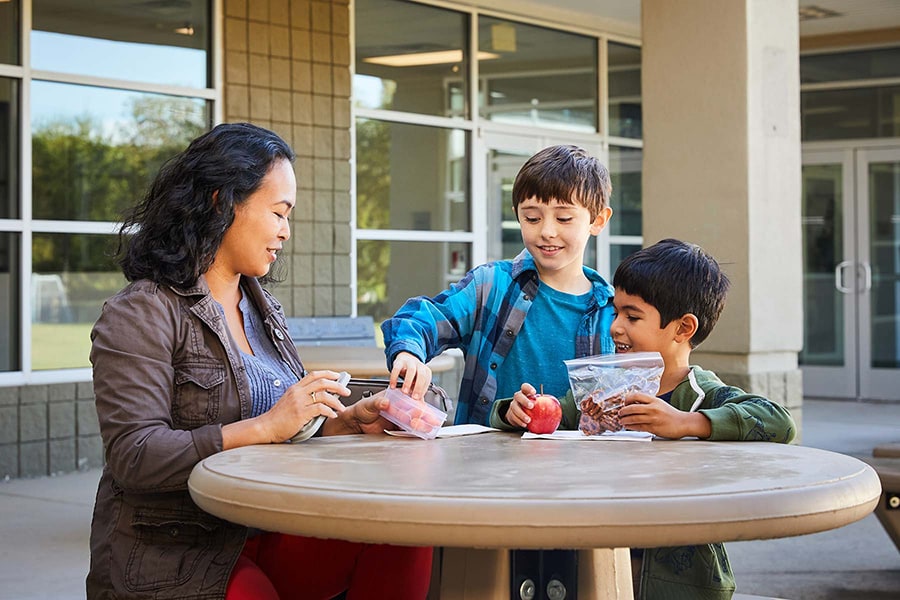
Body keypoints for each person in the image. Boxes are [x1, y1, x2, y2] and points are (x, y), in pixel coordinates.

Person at [86, 123, 432, 600]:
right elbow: (135, 456)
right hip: (181, 548)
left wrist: (346, 422)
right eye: (278, 212)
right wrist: (265, 427)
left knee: (403, 532)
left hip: (265, 524)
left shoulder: (260, 306)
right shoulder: (142, 310)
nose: (286, 231)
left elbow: (287, 426)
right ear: (221, 202)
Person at [498, 238, 797, 600]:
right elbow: (557, 415)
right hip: (598, 563)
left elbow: (779, 421)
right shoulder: (607, 385)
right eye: (616, 312)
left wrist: (688, 423)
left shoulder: (699, 393)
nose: (615, 328)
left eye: (633, 316)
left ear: (683, 328)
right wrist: (519, 411)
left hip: (677, 582)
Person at [382, 144, 616, 426]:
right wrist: (409, 353)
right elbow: (423, 318)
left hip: (585, 466)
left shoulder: (612, 312)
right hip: (484, 464)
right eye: (532, 218)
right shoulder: (491, 286)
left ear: (598, 220)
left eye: (564, 218)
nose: (547, 231)